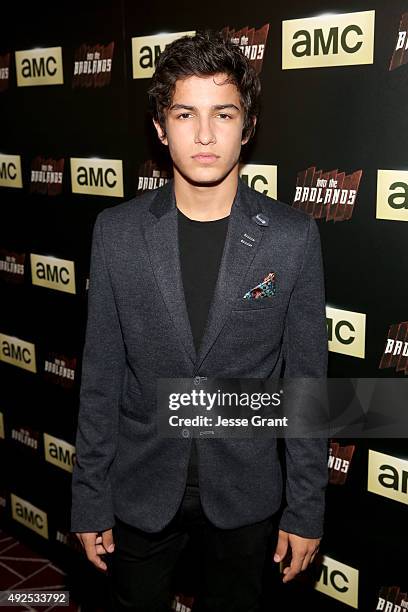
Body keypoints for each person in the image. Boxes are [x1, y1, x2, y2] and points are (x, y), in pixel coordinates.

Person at [70, 29, 329, 611]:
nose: (206, 134)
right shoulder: (116, 235)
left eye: (224, 113)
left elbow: (306, 384)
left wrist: (306, 507)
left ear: (248, 125)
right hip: (139, 490)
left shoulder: (292, 238)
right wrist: (89, 497)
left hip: (246, 493)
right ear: (161, 128)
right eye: (186, 113)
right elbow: (101, 378)